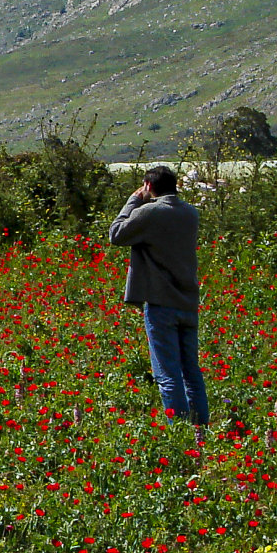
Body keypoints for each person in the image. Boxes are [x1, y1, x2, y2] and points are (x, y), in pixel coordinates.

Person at [107, 164, 210, 440]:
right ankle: (201, 432)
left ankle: (181, 439)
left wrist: (134, 200)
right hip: (187, 301)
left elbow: (116, 234)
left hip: (160, 302)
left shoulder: (151, 212)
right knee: (191, 371)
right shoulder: (190, 213)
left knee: (167, 375)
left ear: (149, 186)